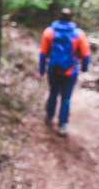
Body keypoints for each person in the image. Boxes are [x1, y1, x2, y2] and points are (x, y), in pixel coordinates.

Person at [38, 8, 91, 137]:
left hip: (53, 69)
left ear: (59, 17)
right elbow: (86, 55)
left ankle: (49, 117)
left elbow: (43, 53)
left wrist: (41, 69)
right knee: (66, 98)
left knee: (53, 93)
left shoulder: (49, 32)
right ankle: (62, 125)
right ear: (71, 18)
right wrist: (84, 68)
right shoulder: (78, 34)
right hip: (70, 72)